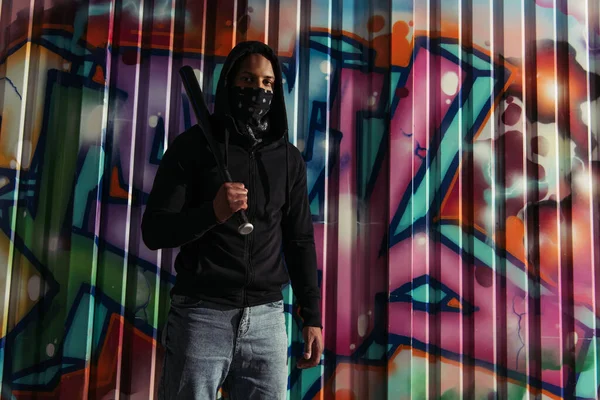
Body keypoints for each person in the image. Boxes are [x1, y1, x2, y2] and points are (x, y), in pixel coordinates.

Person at [142, 41, 323, 400]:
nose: (259, 91)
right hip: (201, 317)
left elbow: (299, 239)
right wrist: (213, 213)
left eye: (268, 83)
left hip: (267, 321)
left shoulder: (288, 160)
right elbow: (155, 230)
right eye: (248, 79)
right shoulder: (193, 148)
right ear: (229, 84)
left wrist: (312, 317)